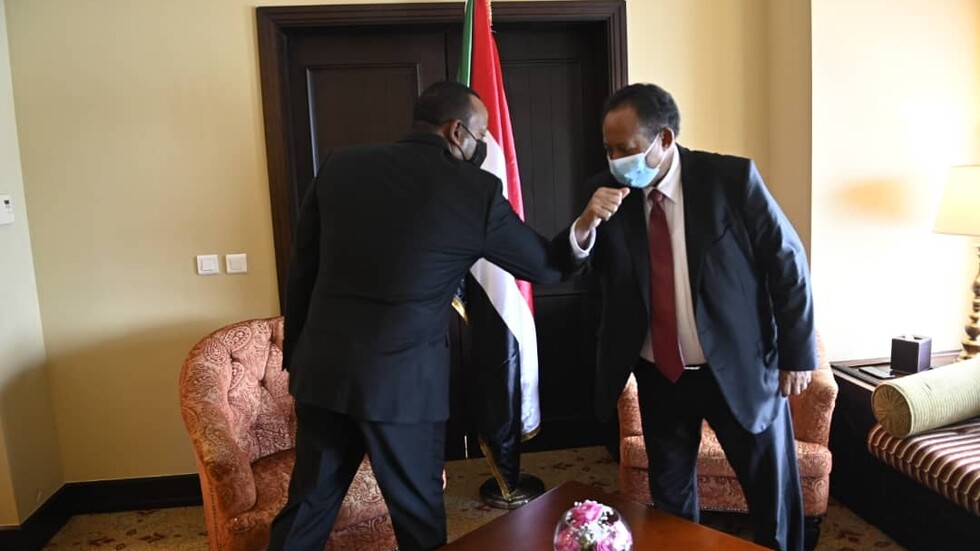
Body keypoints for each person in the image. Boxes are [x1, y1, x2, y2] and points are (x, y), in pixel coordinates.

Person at [267, 81, 600, 551]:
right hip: (403, 388)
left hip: (324, 373)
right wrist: (584, 226)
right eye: (480, 136)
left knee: (307, 507)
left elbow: (302, 268)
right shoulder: (475, 192)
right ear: (457, 131)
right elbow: (546, 266)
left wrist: (298, 357)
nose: (482, 147)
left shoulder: (342, 165)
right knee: (417, 519)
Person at [566, 83, 816, 551]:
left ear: (664, 139)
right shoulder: (605, 195)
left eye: (626, 149)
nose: (617, 160)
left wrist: (797, 355)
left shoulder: (731, 180)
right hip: (661, 376)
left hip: (738, 369)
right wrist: (584, 226)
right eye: (609, 149)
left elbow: (788, 262)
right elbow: (575, 268)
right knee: (670, 503)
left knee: (772, 499)